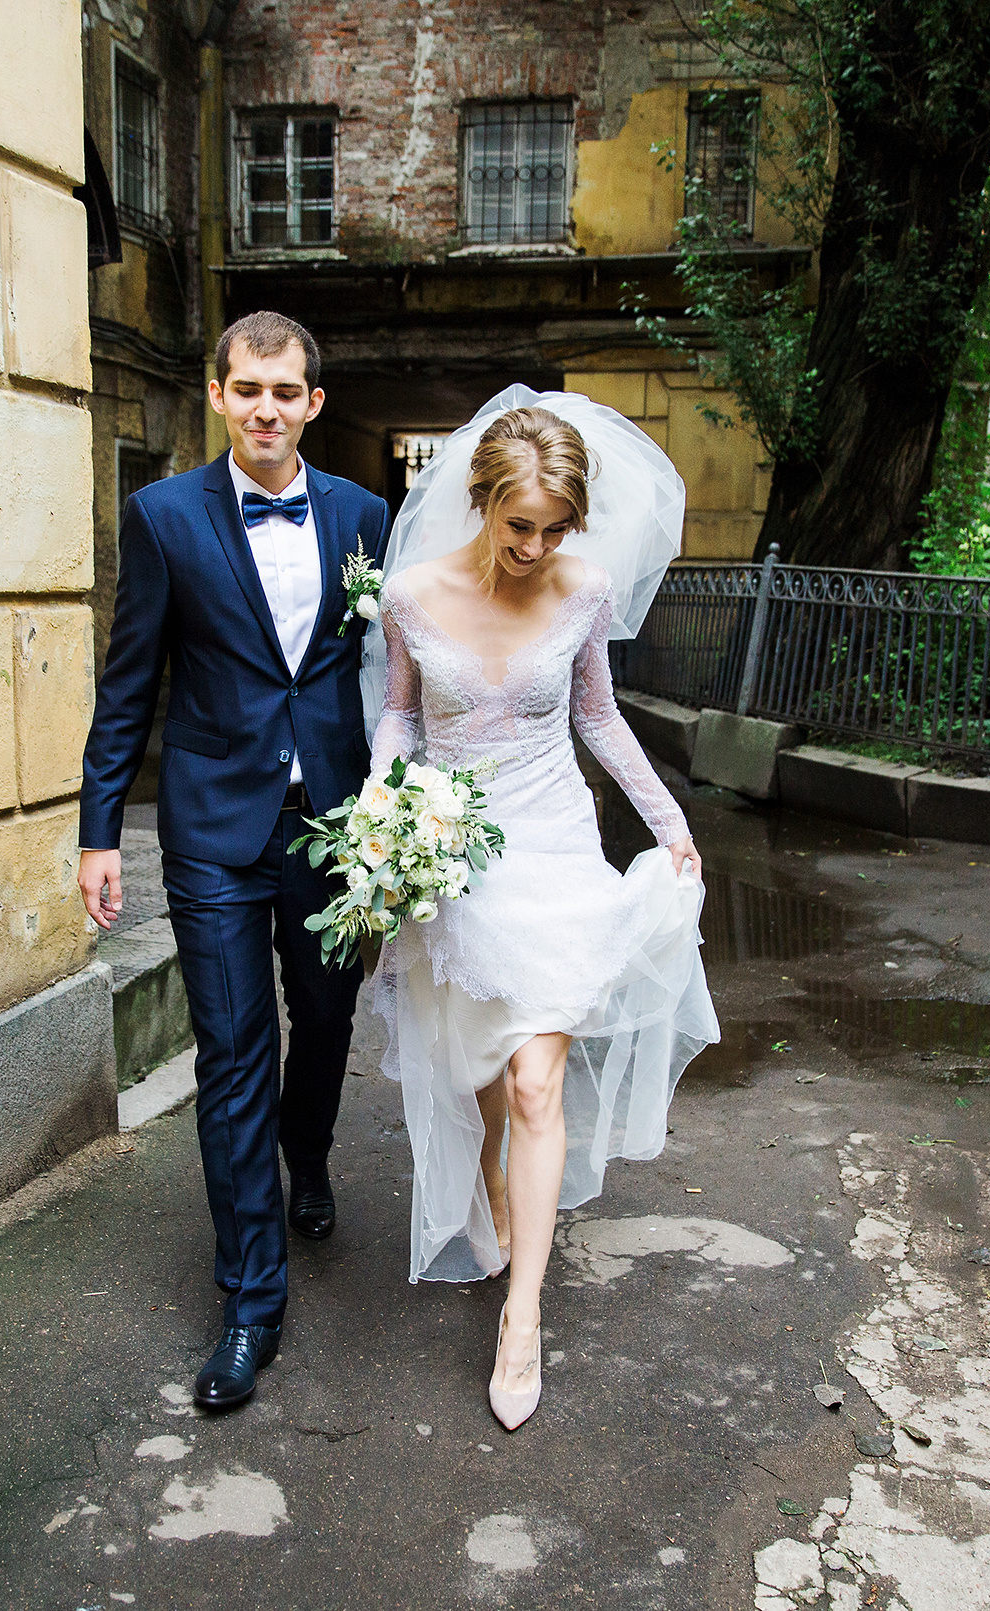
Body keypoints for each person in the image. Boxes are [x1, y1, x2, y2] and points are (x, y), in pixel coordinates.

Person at [364, 388, 718, 1430]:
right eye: (521, 525)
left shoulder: (584, 589)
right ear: (480, 504)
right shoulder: (413, 595)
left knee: (532, 1081)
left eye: (556, 528)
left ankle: (521, 1318)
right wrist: (388, 810)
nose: (536, 546)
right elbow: (397, 715)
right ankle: (490, 1177)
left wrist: (668, 824)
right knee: (479, 1058)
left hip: (556, 844)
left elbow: (598, 717)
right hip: (457, 855)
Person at [78, 312, 390, 1411]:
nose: (266, 407)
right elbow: (130, 682)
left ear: (314, 403)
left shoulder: (364, 516)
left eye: (286, 390)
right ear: (220, 395)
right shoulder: (163, 518)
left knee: (328, 1021)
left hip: (331, 827)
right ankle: (251, 1303)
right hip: (212, 830)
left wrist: (403, 815)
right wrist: (100, 830)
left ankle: (309, 1158)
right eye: (247, 388)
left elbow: (378, 675)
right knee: (232, 1055)